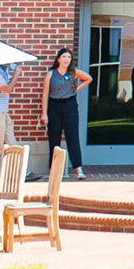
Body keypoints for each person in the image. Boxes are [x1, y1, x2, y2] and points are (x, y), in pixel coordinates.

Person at [43, 49, 91, 180]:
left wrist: (77, 88)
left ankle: (78, 169)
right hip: (54, 105)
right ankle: (53, 169)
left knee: (73, 137)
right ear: (58, 59)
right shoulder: (51, 74)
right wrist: (44, 114)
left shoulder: (73, 72)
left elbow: (88, 78)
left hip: (70, 105)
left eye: (69, 57)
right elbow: (45, 94)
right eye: (64, 56)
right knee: (54, 138)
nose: (66, 59)